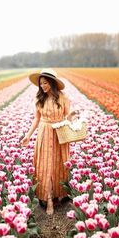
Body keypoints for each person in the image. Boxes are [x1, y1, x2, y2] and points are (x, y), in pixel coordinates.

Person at [20, 68, 78, 215]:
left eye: (45, 83)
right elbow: (37, 119)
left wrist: (73, 118)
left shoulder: (63, 97)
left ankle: (60, 194)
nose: (43, 86)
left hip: (60, 132)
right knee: (45, 165)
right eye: (41, 84)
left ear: (52, 83)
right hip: (44, 132)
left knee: (59, 163)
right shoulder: (40, 99)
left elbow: (68, 116)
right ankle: (49, 199)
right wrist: (28, 135)